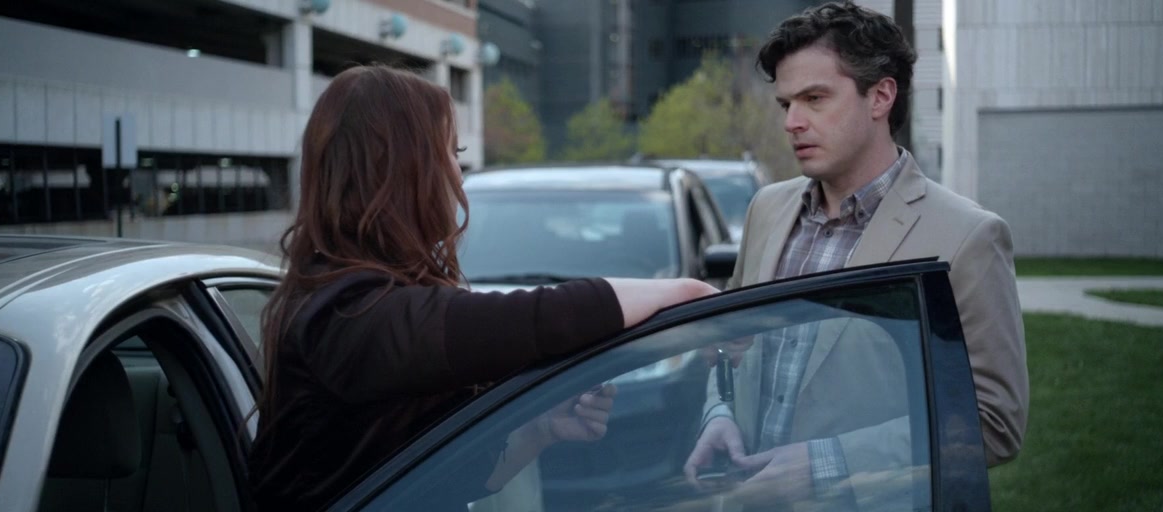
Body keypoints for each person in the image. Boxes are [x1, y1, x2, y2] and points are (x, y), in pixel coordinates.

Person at [248, 65, 719, 512]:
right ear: (401, 170)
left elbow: (432, 479)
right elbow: (540, 318)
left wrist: (540, 430)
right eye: (451, 154)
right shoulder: (348, 314)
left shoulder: (349, 300)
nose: (459, 175)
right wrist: (687, 296)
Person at [682, 2, 1028, 510]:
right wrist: (720, 414)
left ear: (881, 96)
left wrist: (828, 465)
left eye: (814, 99)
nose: (792, 122)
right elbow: (731, 349)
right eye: (785, 104)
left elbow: (993, 421)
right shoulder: (767, 210)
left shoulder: (968, 236)